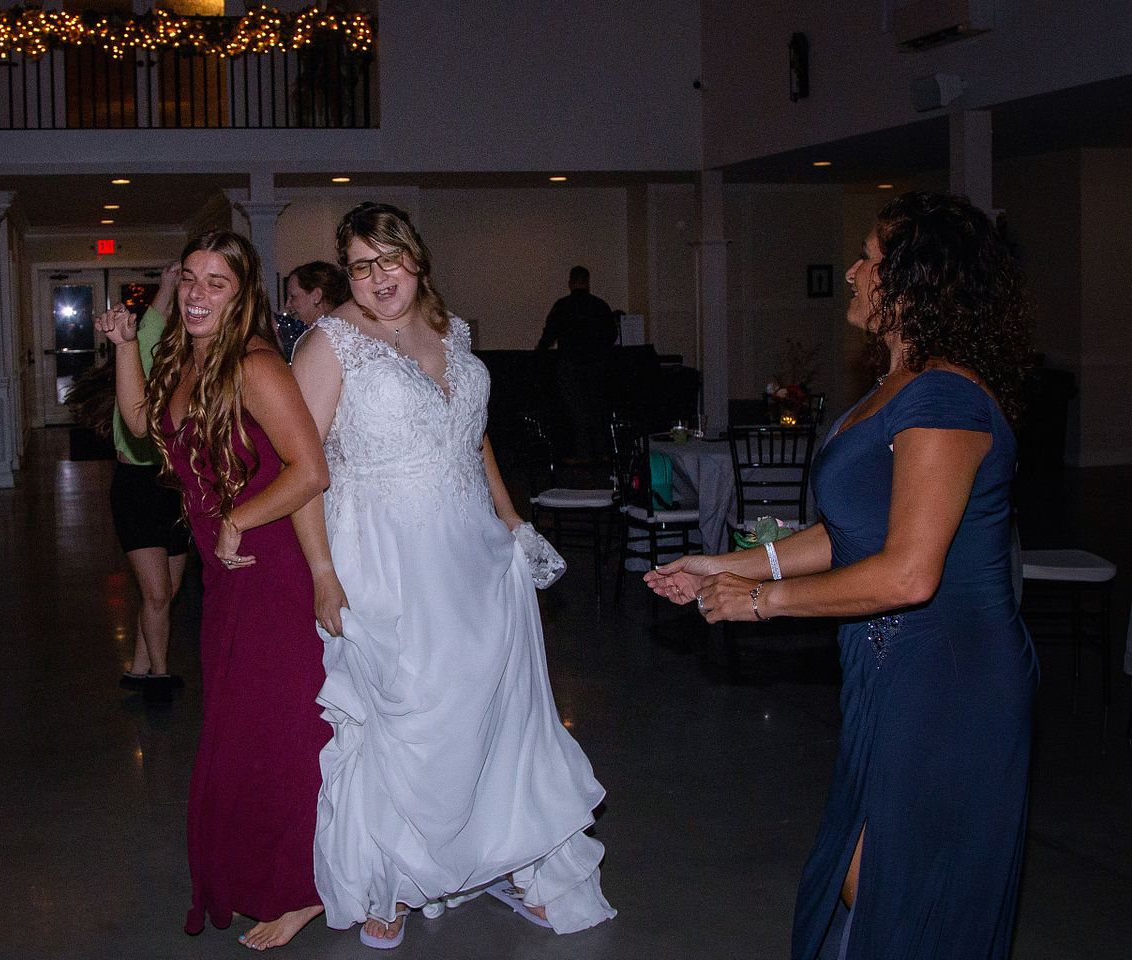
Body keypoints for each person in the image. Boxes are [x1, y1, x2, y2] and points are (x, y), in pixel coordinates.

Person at [647, 192, 1037, 960]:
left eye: (869, 258)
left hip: (948, 680)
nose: (853, 271)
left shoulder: (946, 398)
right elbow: (849, 535)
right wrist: (723, 564)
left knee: (891, 885)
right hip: (888, 671)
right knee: (865, 877)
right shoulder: (898, 386)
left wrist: (762, 602)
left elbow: (908, 574)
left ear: (915, 284)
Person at [290, 202, 616, 949]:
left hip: (473, 553)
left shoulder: (453, 332)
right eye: (362, 266)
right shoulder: (329, 344)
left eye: (391, 260)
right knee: (406, 718)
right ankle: (392, 880)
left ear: (418, 258)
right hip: (385, 557)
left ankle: (507, 858)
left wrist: (510, 521)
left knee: (492, 716)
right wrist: (322, 573)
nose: (378, 280)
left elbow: (472, 439)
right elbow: (303, 473)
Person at [98, 231, 332, 951]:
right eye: (191, 279)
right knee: (240, 733)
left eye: (216, 283)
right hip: (225, 576)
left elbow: (310, 469)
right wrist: (124, 346)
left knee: (282, 734)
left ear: (243, 295)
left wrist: (236, 518)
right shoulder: (188, 358)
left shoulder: (255, 364)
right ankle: (266, 872)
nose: (198, 294)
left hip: (270, 570)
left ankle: (302, 890)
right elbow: (143, 429)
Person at [107, 263, 190, 703]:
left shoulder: (181, 358)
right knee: (156, 593)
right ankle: (159, 676)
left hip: (174, 486)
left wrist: (173, 280)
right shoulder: (134, 355)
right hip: (136, 487)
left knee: (167, 593)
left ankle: (138, 668)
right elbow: (151, 315)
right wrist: (168, 281)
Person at [537, 265, 617, 460]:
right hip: (596, 366)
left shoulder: (562, 306)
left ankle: (582, 458)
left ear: (570, 283)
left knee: (576, 414)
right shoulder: (599, 306)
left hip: (570, 367)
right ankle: (602, 457)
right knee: (598, 412)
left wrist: (539, 354)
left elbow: (549, 336)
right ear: (588, 283)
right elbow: (612, 334)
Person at [276, 260, 350, 362]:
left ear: (316, 296)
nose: (287, 304)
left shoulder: (323, 338)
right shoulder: (344, 327)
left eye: (293, 296)